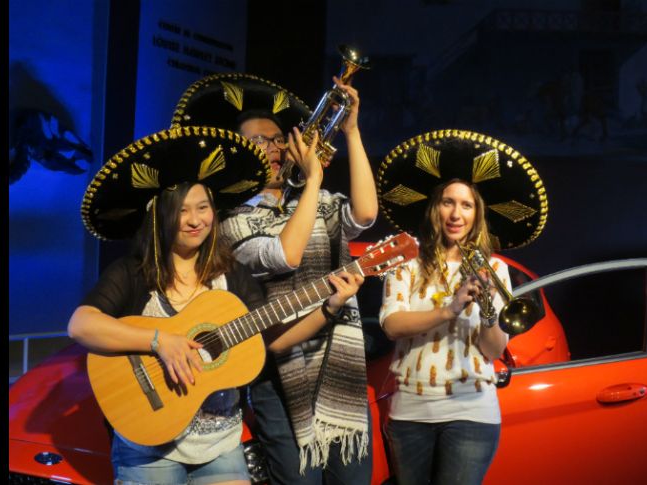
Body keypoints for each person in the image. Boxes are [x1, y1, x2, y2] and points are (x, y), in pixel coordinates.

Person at [68, 127, 364, 485]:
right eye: (183, 211)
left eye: (204, 208)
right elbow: (81, 325)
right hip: (150, 447)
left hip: (220, 446)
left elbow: (273, 339)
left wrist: (330, 305)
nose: (196, 221)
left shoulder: (231, 274)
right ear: (160, 216)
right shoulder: (134, 273)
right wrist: (160, 341)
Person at [171, 72, 378, 483]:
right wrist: (316, 178)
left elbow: (366, 214)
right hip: (278, 376)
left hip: (338, 367)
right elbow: (285, 253)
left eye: (278, 139)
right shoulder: (232, 222)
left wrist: (351, 133)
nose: (274, 149)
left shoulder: (315, 202)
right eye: (259, 141)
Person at [374, 130, 549, 485]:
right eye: (448, 202)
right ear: (434, 208)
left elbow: (493, 350)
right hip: (412, 412)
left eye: (466, 205)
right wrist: (449, 309)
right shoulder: (405, 263)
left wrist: (487, 310)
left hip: (473, 411)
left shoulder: (494, 269)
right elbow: (392, 325)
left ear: (477, 213)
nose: (456, 214)